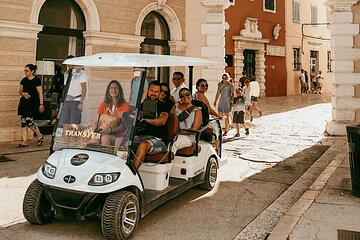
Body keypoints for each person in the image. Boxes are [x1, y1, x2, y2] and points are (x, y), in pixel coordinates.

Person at [132, 81, 171, 169]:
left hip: (159, 140)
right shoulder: (141, 105)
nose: (153, 93)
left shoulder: (164, 106)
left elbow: (162, 121)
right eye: (151, 90)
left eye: (156, 92)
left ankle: (132, 175)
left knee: (143, 145)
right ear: (147, 91)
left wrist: (146, 120)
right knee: (122, 142)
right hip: (140, 137)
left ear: (160, 93)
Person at [91, 80, 130, 146]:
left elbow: (123, 126)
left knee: (105, 138)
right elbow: (95, 122)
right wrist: (96, 131)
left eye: (116, 88)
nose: (113, 90)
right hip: (103, 131)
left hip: (118, 134)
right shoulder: (103, 104)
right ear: (108, 91)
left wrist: (110, 130)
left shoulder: (125, 105)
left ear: (119, 90)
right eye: (111, 88)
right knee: (95, 138)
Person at [16, 64, 44, 147]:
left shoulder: (36, 80)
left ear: (32, 71)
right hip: (24, 102)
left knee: (29, 121)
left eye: (27, 70)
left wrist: (41, 104)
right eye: (25, 70)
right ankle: (24, 141)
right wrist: (23, 93)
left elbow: (40, 93)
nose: (25, 72)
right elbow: (20, 91)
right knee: (23, 121)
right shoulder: (24, 80)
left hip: (33, 103)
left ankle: (39, 135)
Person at [59, 55, 87, 135]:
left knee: (74, 123)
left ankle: (74, 141)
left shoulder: (80, 72)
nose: (69, 65)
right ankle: (66, 142)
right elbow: (66, 87)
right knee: (65, 122)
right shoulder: (66, 73)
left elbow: (84, 88)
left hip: (76, 99)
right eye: (67, 63)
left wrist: (81, 102)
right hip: (67, 100)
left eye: (70, 63)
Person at [170, 88, 202, 155]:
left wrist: (179, 133)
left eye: (187, 95)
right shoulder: (175, 106)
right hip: (173, 134)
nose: (185, 97)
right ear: (180, 98)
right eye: (182, 96)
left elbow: (194, 129)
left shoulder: (197, 111)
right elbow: (170, 120)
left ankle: (168, 161)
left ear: (191, 96)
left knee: (174, 142)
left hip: (188, 136)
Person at [194, 78, 221, 152]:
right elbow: (209, 110)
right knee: (217, 129)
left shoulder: (195, 94)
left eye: (206, 85)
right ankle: (217, 150)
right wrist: (218, 116)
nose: (205, 87)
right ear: (197, 86)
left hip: (198, 119)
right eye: (202, 85)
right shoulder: (201, 96)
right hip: (204, 121)